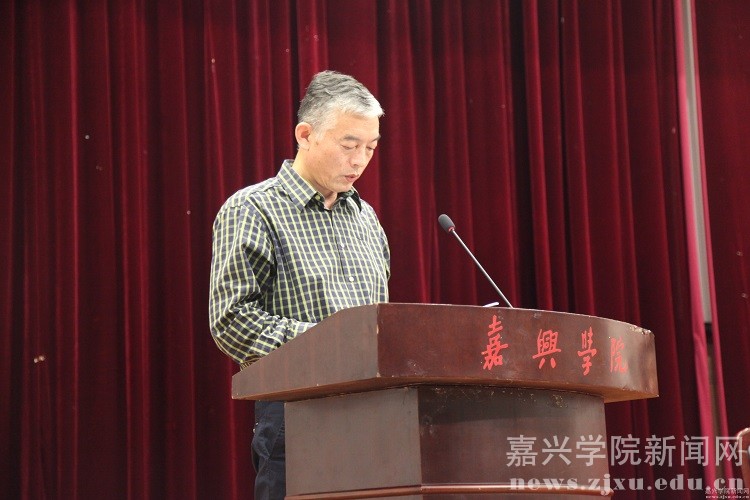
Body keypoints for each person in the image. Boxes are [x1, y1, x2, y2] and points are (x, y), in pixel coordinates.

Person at [208, 70, 391, 500]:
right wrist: (332, 343)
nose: (360, 160)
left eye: (371, 147)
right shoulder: (253, 209)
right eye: (349, 144)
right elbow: (231, 320)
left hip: (376, 414)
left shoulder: (366, 219)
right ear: (305, 135)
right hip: (297, 414)